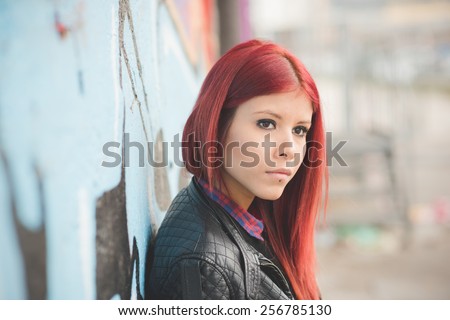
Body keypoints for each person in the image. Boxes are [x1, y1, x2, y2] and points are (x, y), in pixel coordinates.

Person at [146, 39, 327, 300]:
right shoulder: (202, 266)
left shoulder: (255, 218)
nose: (290, 149)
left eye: (300, 130)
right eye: (266, 123)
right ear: (217, 125)